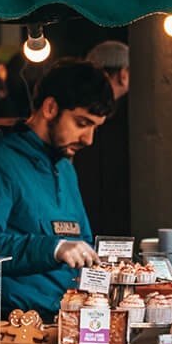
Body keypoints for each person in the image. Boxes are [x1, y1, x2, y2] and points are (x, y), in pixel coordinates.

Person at [0, 59, 115, 319]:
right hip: (12, 324)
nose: (89, 139)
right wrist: (53, 248)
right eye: (82, 123)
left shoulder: (65, 169)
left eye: (95, 128)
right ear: (50, 107)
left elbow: (83, 247)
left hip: (66, 320)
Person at [74, 40, 130, 235]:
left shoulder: (74, 111)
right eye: (82, 124)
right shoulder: (132, 117)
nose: (87, 138)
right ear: (123, 75)